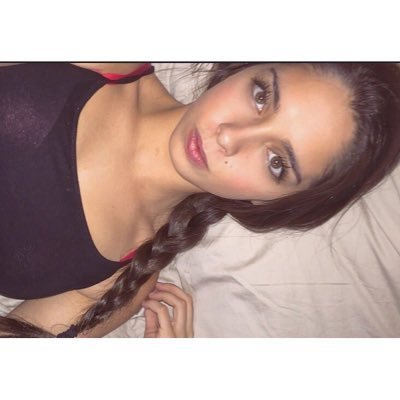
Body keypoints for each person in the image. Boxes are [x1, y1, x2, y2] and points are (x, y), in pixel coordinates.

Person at [0, 62, 399, 338]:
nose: (230, 136)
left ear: (272, 201)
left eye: (276, 162)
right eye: (261, 96)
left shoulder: (123, 281)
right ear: (239, 69)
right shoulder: (107, 61)